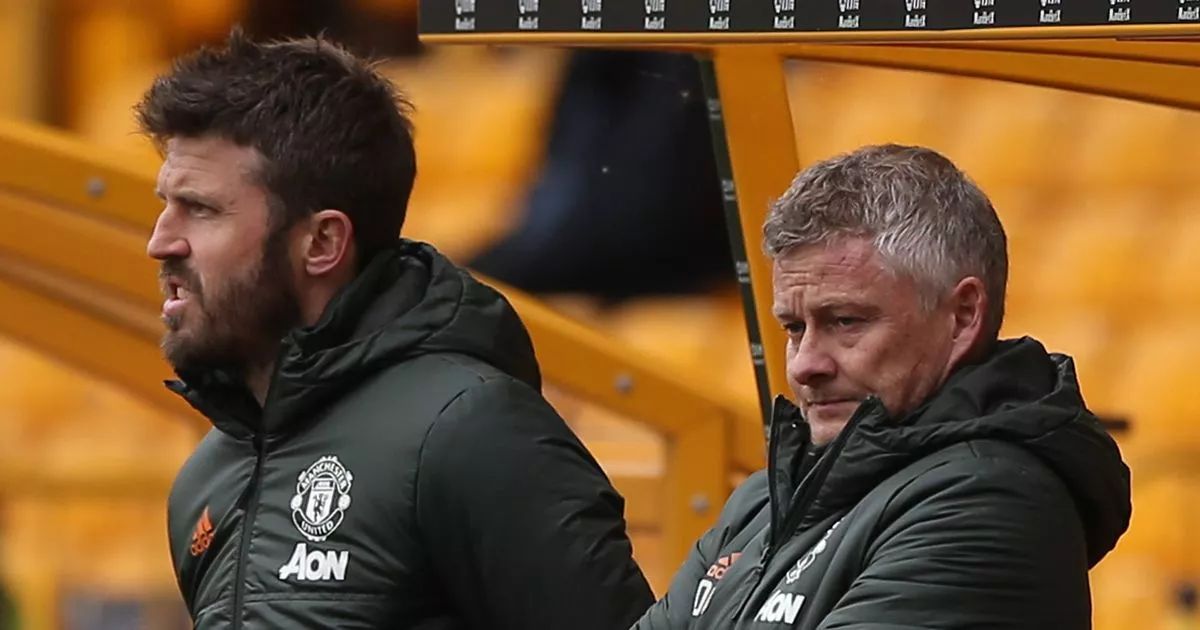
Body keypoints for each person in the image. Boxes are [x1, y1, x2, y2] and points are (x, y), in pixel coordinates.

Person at [139, 31, 653, 629]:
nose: (160, 242)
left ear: (323, 242)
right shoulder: (208, 476)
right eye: (165, 204)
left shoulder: (472, 432)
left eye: (200, 209)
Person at [633, 144, 1132, 629]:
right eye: (794, 328)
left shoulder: (989, 502)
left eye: (846, 321)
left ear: (962, 316)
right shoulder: (765, 500)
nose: (805, 365)